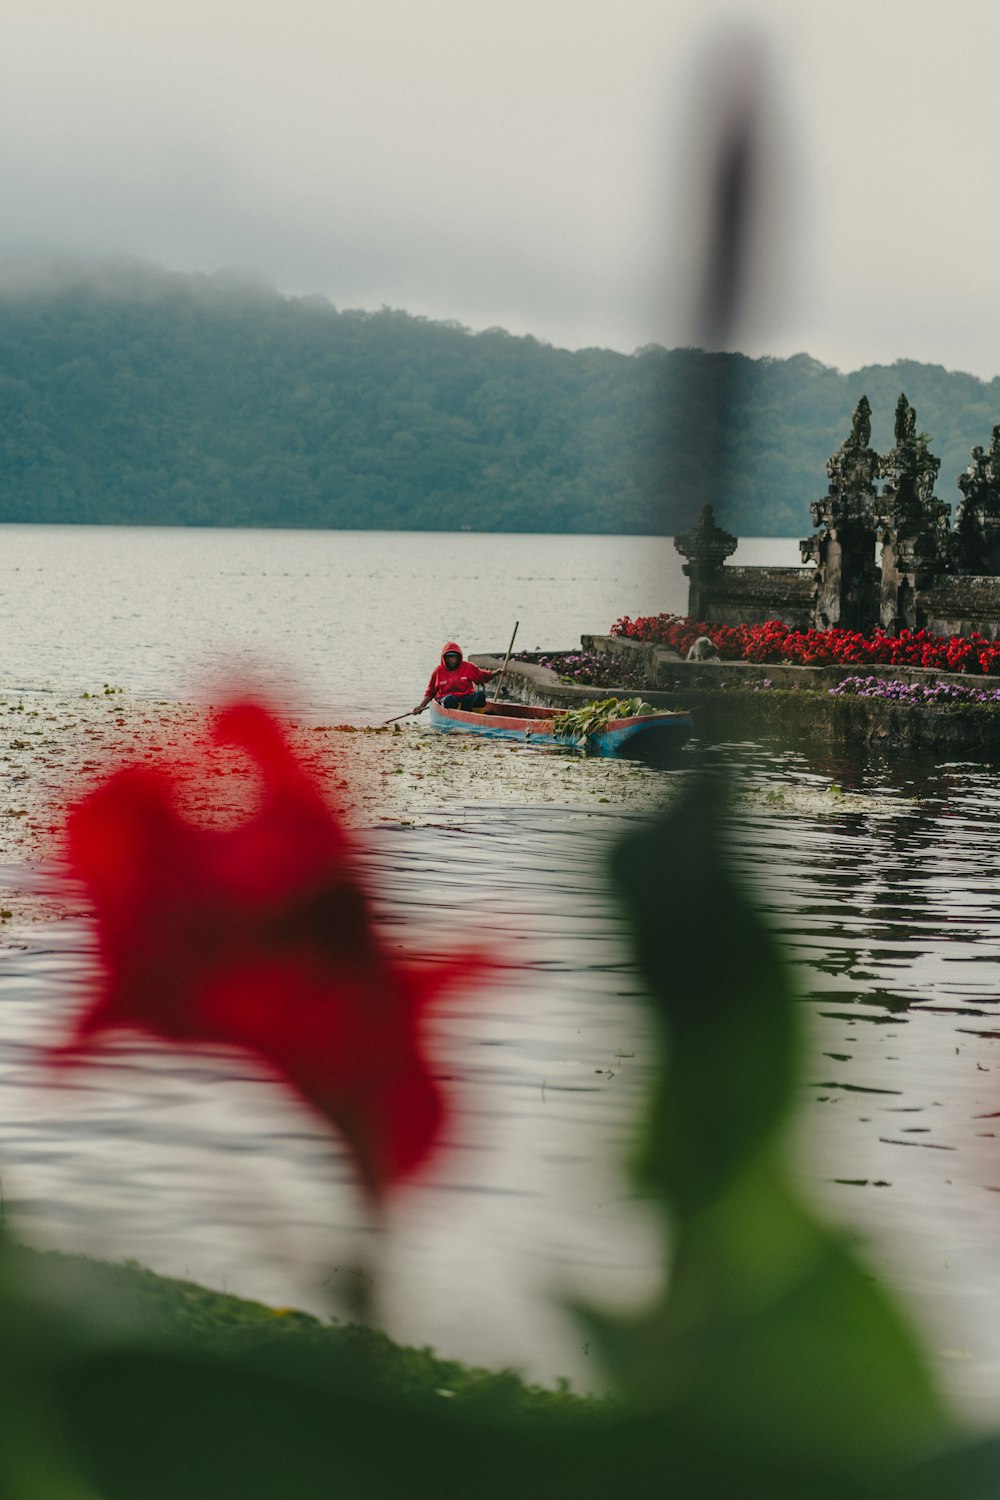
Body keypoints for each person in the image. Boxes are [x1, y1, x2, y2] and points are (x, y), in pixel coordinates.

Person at [413, 642, 496, 714]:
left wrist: (498, 672)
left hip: (465, 698)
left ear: (458, 657)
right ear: (444, 658)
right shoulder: (438, 671)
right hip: (447, 699)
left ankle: (476, 717)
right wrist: (421, 706)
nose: (451, 660)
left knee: (480, 696)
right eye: (448, 657)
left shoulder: (468, 667)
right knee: (450, 700)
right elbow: (430, 693)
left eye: (453, 657)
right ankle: (455, 716)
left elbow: (484, 677)